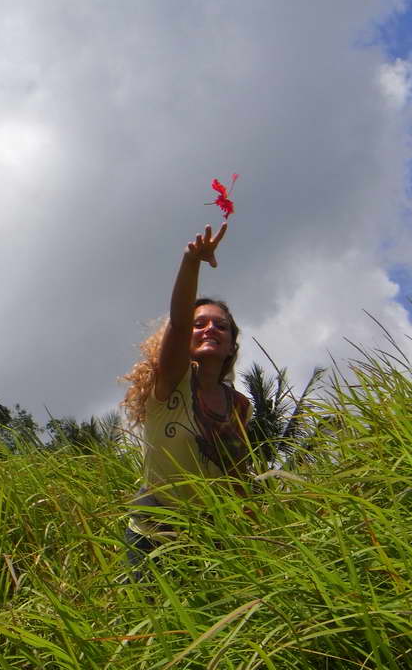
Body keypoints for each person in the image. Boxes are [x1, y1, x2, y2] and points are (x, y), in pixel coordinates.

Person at [121, 223, 252, 567]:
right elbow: (179, 324)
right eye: (201, 324)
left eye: (220, 326)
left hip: (210, 538)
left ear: (230, 347)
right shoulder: (171, 383)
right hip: (153, 536)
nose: (210, 328)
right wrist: (191, 261)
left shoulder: (238, 406)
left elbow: (237, 475)